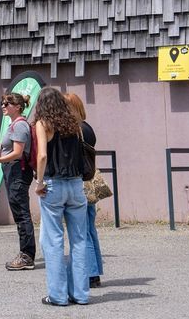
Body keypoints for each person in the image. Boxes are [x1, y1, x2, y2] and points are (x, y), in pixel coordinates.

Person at [33, 86, 90, 306]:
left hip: (53, 184)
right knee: (79, 240)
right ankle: (81, 294)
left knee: (54, 241)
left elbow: (42, 156)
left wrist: (39, 183)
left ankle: (58, 295)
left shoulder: (43, 124)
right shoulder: (74, 124)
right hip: (76, 185)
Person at [0, 92, 35, 270]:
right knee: (19, 212)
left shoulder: (19, 126)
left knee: (21, 213)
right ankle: (25, 253)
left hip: (18, 170)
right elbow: (9, 148)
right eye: (2, 103)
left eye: (7, 103)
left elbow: (18, 153)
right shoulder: (12, 125)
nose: (3, 106)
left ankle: (27, 255)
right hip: (12, 170)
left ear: (17, 106)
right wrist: (0, 148)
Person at [65, 92, 103, 289]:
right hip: (91, 182)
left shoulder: (75, 130)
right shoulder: (88, 128)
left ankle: (90, 273)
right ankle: (96, 271)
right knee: (90, 228)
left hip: (79, 182)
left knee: (82, 232)